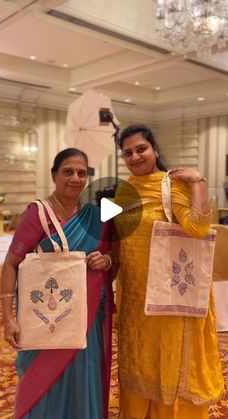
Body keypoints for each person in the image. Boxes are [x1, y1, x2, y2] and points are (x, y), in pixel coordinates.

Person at [114, 124, 224, 419]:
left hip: (169, 296)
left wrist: (198, 181)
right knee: (139, 359)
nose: (135, 157)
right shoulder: (123, 192)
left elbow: (198, 228)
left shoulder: (171, 185)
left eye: (141, 149)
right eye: (128, 153)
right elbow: (110, 236)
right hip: (136, 296)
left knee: (168, 360)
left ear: (155, 150)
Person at [0, 147, 114, 419]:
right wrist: (8, 318)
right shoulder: (37, 213)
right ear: (53, 175)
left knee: (82, 377)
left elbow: (115, 257)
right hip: (46, 319)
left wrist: (107, 261)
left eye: (81, 173)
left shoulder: (96, 216)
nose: (75, 178)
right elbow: (10, 264)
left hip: (85, 319)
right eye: (68, 171)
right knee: (42, 383)